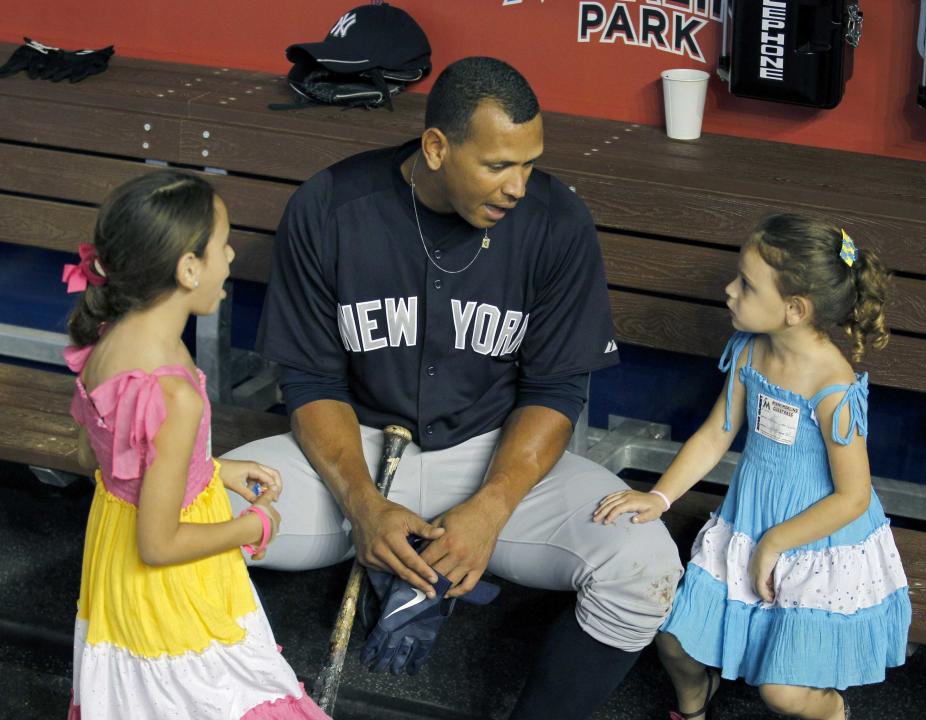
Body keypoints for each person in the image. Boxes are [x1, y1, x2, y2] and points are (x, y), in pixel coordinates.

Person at [222, 56, 682, 718]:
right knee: (172, 519)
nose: (519, 185)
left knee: (642, 564)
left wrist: (492, 508)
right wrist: (361, 504)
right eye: (498, 165)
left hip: (492, 458)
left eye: (529, 163)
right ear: (437, 147)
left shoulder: (556, 220)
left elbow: (555, 392)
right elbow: (311, 380)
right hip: (351, 453)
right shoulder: (332, 207)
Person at [593, 214, 911, 720]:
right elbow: (717, 432)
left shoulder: (834, 389)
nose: (729, 290)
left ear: (794, 309)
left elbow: (852, 498)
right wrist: (659, 497)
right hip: (750, 519)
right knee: (674, 643)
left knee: (782, 694)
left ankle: (832, 712)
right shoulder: (749, 351)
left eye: (745, 284)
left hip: (818, 542)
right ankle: (697, 705)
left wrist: (775, 543)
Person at [63, 170, 330, 720]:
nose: (230, 257)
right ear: (188, 269)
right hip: (169, 592)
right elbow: (158, 545)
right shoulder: (172, 392)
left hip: (113, 568)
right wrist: (252, 528)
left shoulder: (108, 341)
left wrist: (208, 469)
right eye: (222, 245)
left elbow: (101, 458)